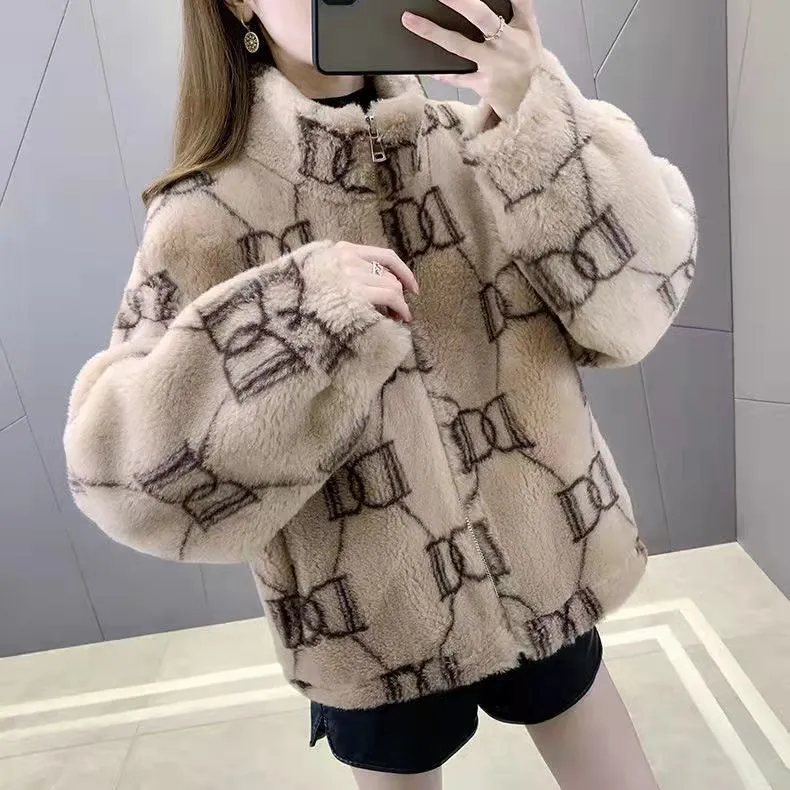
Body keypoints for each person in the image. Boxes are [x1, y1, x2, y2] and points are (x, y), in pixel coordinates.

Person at [64, 0, 697, 787]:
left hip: (549, 564)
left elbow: (642, 296)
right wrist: (298, 315)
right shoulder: (204, 214)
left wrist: (538, 110)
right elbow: (126, 477)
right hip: (374, 621)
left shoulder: (482, 140)